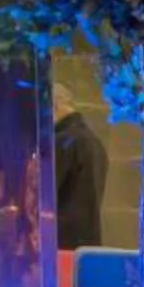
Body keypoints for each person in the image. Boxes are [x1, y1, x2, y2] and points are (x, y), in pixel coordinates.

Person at [54, 93, 109, 252]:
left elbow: (45, 194)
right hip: (89, 242)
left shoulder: (63, 141)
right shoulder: (96, 143)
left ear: (55, 107)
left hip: (62, 243)